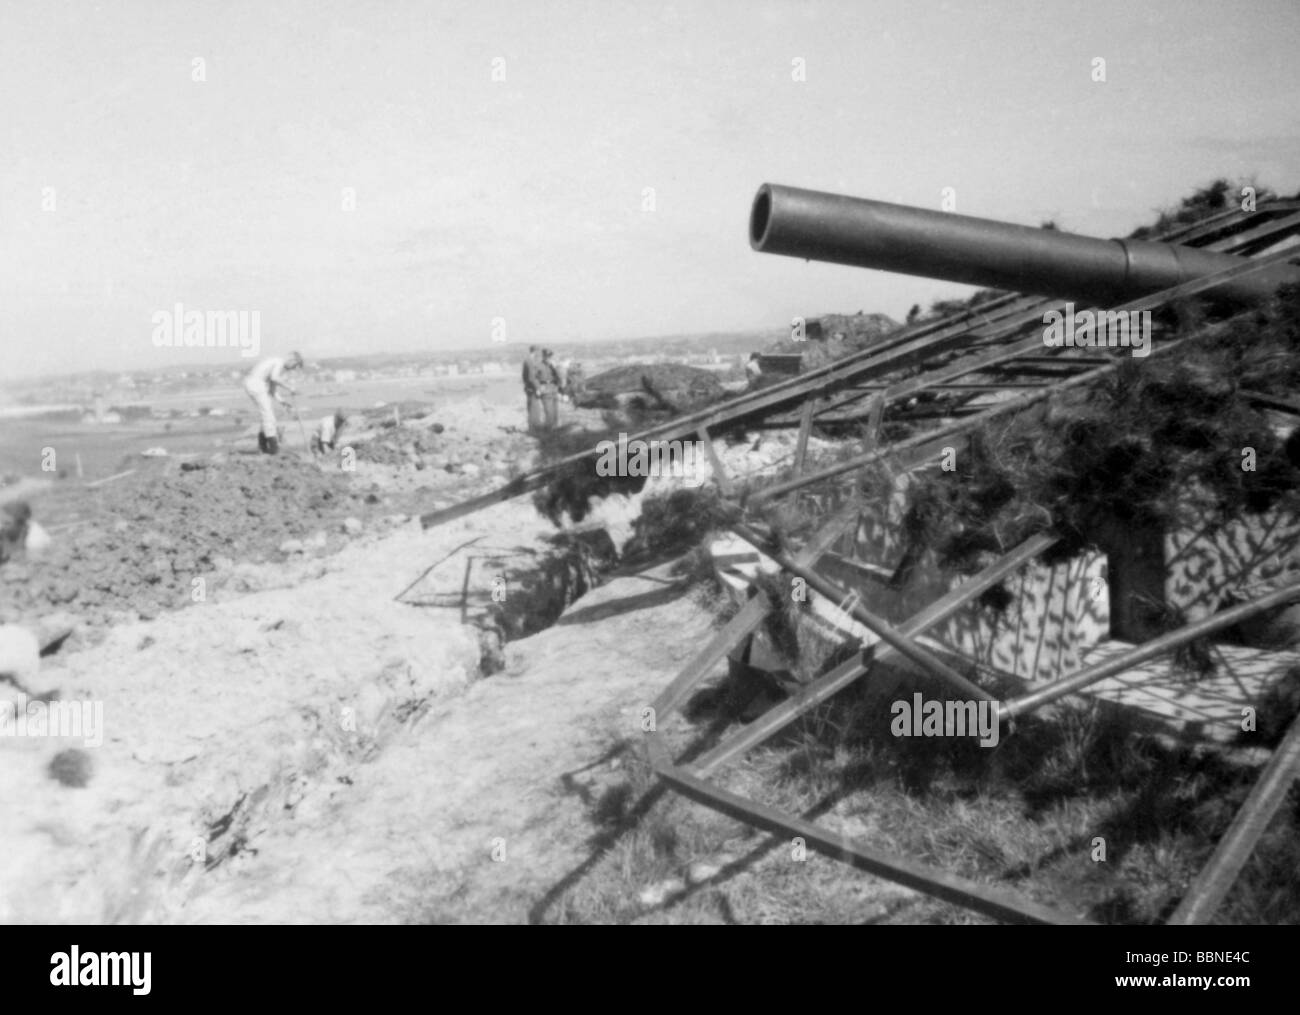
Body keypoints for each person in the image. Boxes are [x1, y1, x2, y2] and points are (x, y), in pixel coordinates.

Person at [244, 351, 304, 454]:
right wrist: (290, 388)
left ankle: (263, 447)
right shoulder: (279, 362)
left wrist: (283, 402)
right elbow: (274, 378)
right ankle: (273, 449)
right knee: (268, 416)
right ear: (292, 360)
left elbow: (272, 390)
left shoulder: (277, 366)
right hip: (256, 384)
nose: (292, 369)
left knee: (267, 416)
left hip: (256, 384)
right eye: (294, 366)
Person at [521, 345, 544, 431]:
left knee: (532, 408)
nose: (539, 354)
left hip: (529, 388)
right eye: (538, 352)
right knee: (534, 409)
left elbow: (524, 376)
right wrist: (537, 388)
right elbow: (531, 377)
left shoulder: (527, 361)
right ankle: (534, 429)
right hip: (532, 389)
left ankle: (532, 428)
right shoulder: (530, 361)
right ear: (534, 351)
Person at [538, 348, 562, 429]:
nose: (549, 358)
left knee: (555, 412)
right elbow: (533, 378)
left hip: (554, 389)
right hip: (545, 390)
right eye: (547, 357)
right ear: (543, 357)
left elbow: (560, 377)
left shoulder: (553, 366)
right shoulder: (539, 366)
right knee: (549, 412)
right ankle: (548, 431)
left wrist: (555, 367)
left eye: (550, 356)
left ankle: (555, 431)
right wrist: (538, 388)